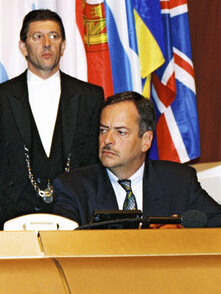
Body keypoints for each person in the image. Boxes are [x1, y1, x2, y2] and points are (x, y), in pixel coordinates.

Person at [0, 9, 104, 229]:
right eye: (37, 37)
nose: (46, 44)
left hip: (77, 222)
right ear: (23, 47)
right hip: (14, 222)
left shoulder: (91, 97)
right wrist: (9, 211)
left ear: (63, 46)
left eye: (54, 36)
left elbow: (94, 162)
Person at [53, 91, 221, 227]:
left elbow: (216, 221)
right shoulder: (73, 187)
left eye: (121, 132)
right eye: (103, 130)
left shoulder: (179, 181)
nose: (107, 140)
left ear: (146, 141)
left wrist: (178, 236)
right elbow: (61, 246)